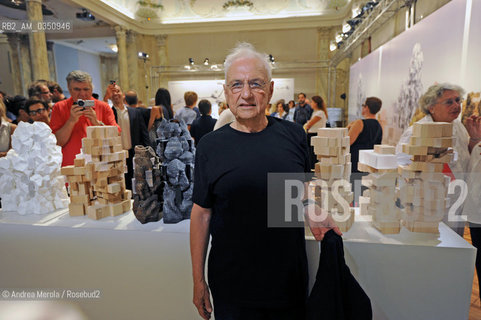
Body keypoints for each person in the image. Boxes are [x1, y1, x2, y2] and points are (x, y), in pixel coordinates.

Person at [190, 42, 340, 320]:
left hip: (287, 281)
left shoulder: (294, 135)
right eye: (236, 85)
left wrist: (313, 208)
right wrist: (198, 280)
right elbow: (201, 214)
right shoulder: (210, 147)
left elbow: (301, 187)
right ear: (226, 92)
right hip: (232, 284)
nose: (246, 94)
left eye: (255, 84)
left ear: (270, 90)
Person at [396, 83, 480, 236]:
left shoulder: (458, 127)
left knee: (453, 244)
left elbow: (464, 159)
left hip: (456, 199)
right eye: (449, 102)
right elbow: (402, 165)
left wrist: (474, 138)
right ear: (431, 107)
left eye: (457, 100)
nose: (456, 105)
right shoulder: (417, 132)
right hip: (427, 203)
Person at [50, 70, 119, 167]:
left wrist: (96, 123)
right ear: (69, 90)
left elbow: (116, 136)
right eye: (77, 89)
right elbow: (56, 142)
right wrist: (71, 121)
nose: (82, 94)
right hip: (71, 168)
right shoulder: (59, 107)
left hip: (100, 166)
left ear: (92, 89)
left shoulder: (103, 107)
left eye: (86, 89)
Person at [110, 84, 151, 190]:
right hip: (116, 157)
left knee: (136, 185)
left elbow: (144, 133)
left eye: (117, 91)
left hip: (133, 154)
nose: (115, 94)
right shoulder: (109, 113)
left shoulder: (134, 112)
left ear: (123, 95)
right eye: (112, 92)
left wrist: (148, 153)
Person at [348, 97, 383, 173]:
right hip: (370, 161)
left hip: (356, 161)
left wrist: (348, 127)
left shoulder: (360, 123)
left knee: (355, 183)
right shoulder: (379, 125)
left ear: (366, 107)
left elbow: (347, 142)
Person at [304, 95, 328, 169]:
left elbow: (309, 124)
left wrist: (306, 125)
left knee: (313, 155)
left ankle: (313, 169)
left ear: (316, 103)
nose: (310, 103)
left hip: (316, 135)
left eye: (312, 102)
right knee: (311, 154)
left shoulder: (320, 113)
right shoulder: (315, 112)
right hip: (312, 134)